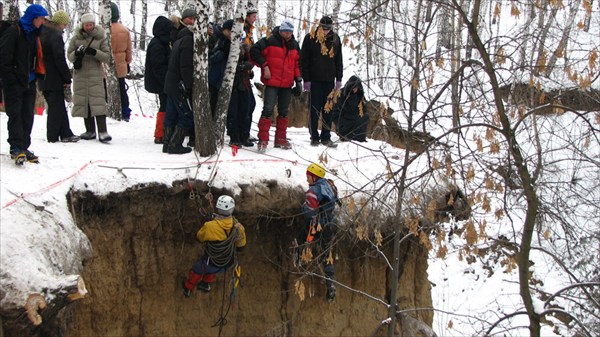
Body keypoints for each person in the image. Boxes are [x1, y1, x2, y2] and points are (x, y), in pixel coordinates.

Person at [0, 4, 48, 164]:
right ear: (33, 18)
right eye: (41, 18)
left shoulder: (34, 34)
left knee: (27, 115)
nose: (42, 22)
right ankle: (15, 147)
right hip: (14, 83)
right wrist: (11, 79)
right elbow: (4, 58)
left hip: (29, 81)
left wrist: (35, 77)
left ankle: (24, 146)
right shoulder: (14, 31)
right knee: (15, 114)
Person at [250, 19, 302, 152]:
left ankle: (280, 139)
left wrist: (299, 80)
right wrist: (264, 65)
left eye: (290, 32)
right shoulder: (269, 40)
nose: (288, 34)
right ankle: (263, 140)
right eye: (285, 32)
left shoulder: (295, 45)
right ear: (280, 30)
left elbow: (297, 64)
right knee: (267, 110)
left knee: (284, 112)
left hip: (287, 84)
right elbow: (254, 51)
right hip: (272, 82)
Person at [183, 195, 246, 297]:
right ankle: (206, 284)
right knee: (212, 263)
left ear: (217, 207)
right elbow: (241, 247)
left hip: (210, 264)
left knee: (198, 268)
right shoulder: (238, 227)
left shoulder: (210, 226)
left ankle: (188, 288)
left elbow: (199, 237)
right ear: (232, 209)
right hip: (226, 265)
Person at [67, 13, 112, 143]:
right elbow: (69, 55)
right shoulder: (75, 38)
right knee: (84, 102)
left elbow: (106, 56)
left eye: (91, 25)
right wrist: (76, 53)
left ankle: (103, 131)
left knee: (98, 102)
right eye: (87, 25)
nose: (89, 27)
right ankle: (90, 130)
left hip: (95, 75)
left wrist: (95, 52)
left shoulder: (100, 38)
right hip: (80, 75)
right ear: (82, 25)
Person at [209, 19, 254, 147]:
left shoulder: (243, 45)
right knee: (233, 110)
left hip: (242, 81)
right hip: (228, 81)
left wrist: (245, 68)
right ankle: (234, 136)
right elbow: (213, 59)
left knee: (245, 109)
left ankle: (244, 135)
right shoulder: (221, 42)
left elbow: (250, 61)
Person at [301, 16, 343, 148]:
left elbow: (339, 60)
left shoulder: (335, 39)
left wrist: (339, 79)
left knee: (328, 110)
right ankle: (314, 136)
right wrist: (306, 79)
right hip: (314, 80)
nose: (325, 31)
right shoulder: (310, 38)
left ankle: (326, 136)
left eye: (328, 29)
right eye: (323, 28)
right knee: (315, 109)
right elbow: (304, 60)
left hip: (329, 80)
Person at [38, 10, 79, 144]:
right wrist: (66, 77)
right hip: (53, 76)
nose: (65, 27)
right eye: (64, 24)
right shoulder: (54, 36)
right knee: (56, 107)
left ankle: (65, 133)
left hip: (43, 75)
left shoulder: (43, 32)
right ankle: (53, 136)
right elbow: (59, 59)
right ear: (60, 23)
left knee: (58, 106)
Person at [300, 162, 339, 302]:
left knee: (301, 239)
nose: (307, 179)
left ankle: (299, 259)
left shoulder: (313, 191)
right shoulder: (330, 184)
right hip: (330, 223)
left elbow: (309, 213)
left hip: (318, 225)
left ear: (314, 177)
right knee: (326, 254)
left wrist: (302, 207)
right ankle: (331, 283)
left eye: (308, 176)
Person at [163, 23, 193, 154]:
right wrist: (188, 85)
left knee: (170, 115)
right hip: (179, 85)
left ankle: (167, 143)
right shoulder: (188, 42)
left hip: (170, 83)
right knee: (185, 115)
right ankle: (175, 144)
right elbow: (186, 66)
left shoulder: (178, 41)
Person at [144, 16, 172, 144]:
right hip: (161, 82)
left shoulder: (160, 42)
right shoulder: (158, 44)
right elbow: (158, 67)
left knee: (165, 106)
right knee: (164, 107)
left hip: (162, 81)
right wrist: (166, 82)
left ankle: (162, 132)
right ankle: (160, 134)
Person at [109, 2, 133, 122]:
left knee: (106, 89)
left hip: (107, 65)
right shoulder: (125, 30)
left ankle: (110, 111)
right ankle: (125, 111)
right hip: (121, 64)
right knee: (122, 88)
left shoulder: (104, 30)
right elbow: (129, 50)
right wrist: (128, 61)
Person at [332, 76, 369, 142]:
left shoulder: (360, 96)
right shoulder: (341, 94)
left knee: (365, 118)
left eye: (356, 87)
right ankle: (346, 137)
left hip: (355, 119)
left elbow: (364, 110)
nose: (355, 89)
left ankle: (360, 138)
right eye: (353, 87)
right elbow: (335, 113)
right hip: (345, 120)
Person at [242, 3, 258, 143]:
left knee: (249, 104)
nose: (255, 19)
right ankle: (242, 133)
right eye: (253, 16)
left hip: (247, 71)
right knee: (248, 104)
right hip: (240, 73)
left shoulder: (250, 32)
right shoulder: (241, 30)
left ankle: (244, 132)